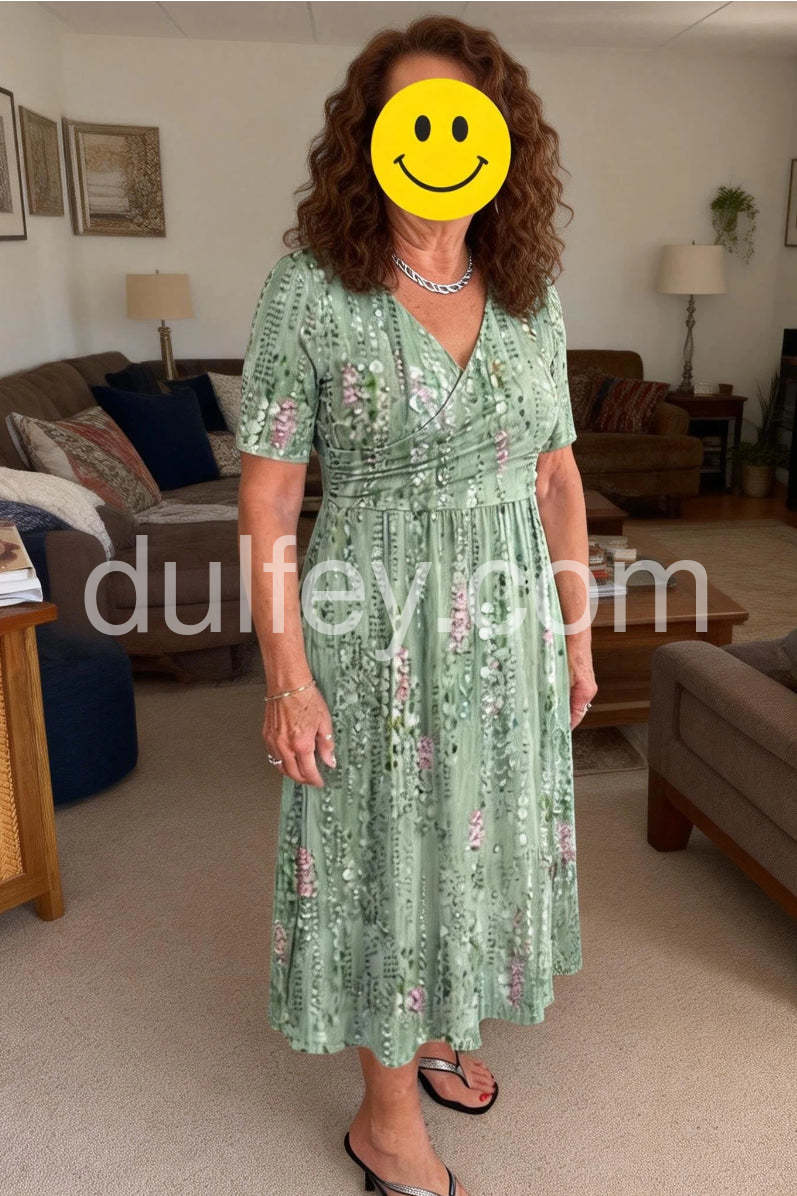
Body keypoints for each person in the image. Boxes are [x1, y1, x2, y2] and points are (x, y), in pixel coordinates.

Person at [237, 16, 597, 1196]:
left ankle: (435, 1024)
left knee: (474, 837)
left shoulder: (530, 295)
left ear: (500, 143)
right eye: (411, 120)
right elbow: (269, 496)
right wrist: (287, 677)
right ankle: (383, 1122)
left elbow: (555, 475)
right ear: (368, 139)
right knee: (379, 856)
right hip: (370, 625)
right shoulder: (309, 291)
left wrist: (576, 629)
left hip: (508, 622)